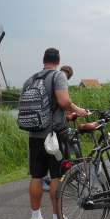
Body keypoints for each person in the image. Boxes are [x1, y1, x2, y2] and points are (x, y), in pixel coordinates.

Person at [23, 48, 88, 219]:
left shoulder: (31, 79)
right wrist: (78, 109)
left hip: (34, 135)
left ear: (43, 60)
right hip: (54, 136)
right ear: (58, 60)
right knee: (57, 176)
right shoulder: (58, 76)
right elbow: (63, 100)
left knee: (36, 176)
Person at [42, 64, 75, 192]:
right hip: (52, 125)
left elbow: (60, 105)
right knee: (55, 151)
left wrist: (68, 115)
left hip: (50, 124)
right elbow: (63, 102)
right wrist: (76, 111)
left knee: (55, 151)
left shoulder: (55, 82)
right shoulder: (58, 83)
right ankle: (51, 178)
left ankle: (56, 176)